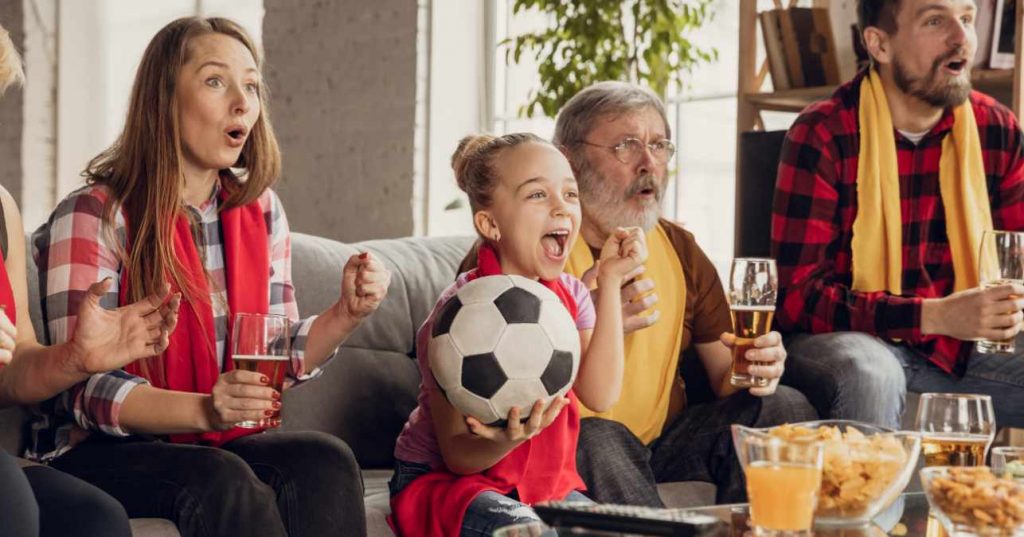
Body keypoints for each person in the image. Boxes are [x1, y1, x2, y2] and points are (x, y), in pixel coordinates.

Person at [31, 17, 391, 537]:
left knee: (325, 458)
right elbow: (85, 389)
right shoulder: (95, 214)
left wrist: (346, 314)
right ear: (164, 99)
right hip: (101, 450)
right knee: (221, 479)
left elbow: (273, 353)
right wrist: (205, 409)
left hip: (213, 437)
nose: (242, 102)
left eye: (251, 85)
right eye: (215, 81)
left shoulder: (261, 211)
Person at [461, 82, 817, 507]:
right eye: (627, 146)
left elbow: (728, 379)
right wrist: (588, 326)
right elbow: (491, 391)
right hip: (567, 440)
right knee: (599, 437)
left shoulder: (681, 250)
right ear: (568, 158)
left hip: (665, 443)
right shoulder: (513, 252)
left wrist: (758, 366)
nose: (649, 162)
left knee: (783, 406)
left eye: (660, 144)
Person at [772, 0, 1024, 430]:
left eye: (966, 19)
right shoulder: (824, 132)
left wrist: (1000, 311)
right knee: (870, 371)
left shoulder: (996, 128)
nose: (961, 38)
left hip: (963, 347)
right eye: (934, 20)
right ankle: (869, 496)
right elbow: (796, 298)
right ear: (879, 44)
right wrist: (933, 315)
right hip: (846, 343)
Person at [389, 132, 646, 536]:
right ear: (490, 223)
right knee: (526, 531)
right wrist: (509, 438)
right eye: (538, 195)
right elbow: (458, 455)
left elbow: (600, 394)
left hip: (543, 487)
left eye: (570, 194)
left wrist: (610, 283)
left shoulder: (572, 297)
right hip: (450, 483)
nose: (561, 207)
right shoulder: (455, 315)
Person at [0, 23, 180, 537]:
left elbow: (12, 376)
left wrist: (74, 358)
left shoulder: (0, 209)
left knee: (96, 519)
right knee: (12, 506)